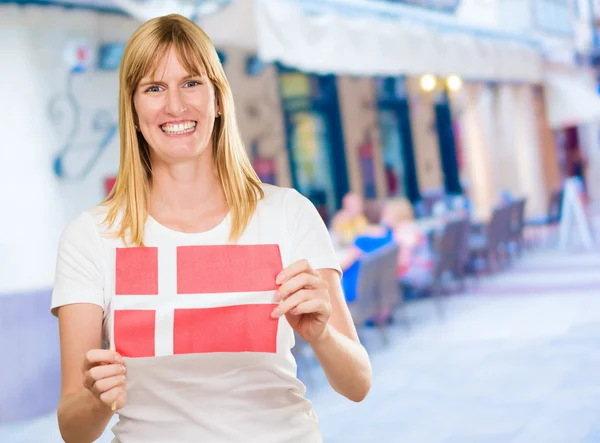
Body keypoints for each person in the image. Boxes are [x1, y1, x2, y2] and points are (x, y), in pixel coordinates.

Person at [51, 14, 371, 443]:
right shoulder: (91, 236)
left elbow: (358, 384)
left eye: (191, 83)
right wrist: (95, 398)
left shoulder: (288, 214)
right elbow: (73, 429)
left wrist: (323, 335)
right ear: (133, 109)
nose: (176, 106)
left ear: (219, 99)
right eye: (154, 88)